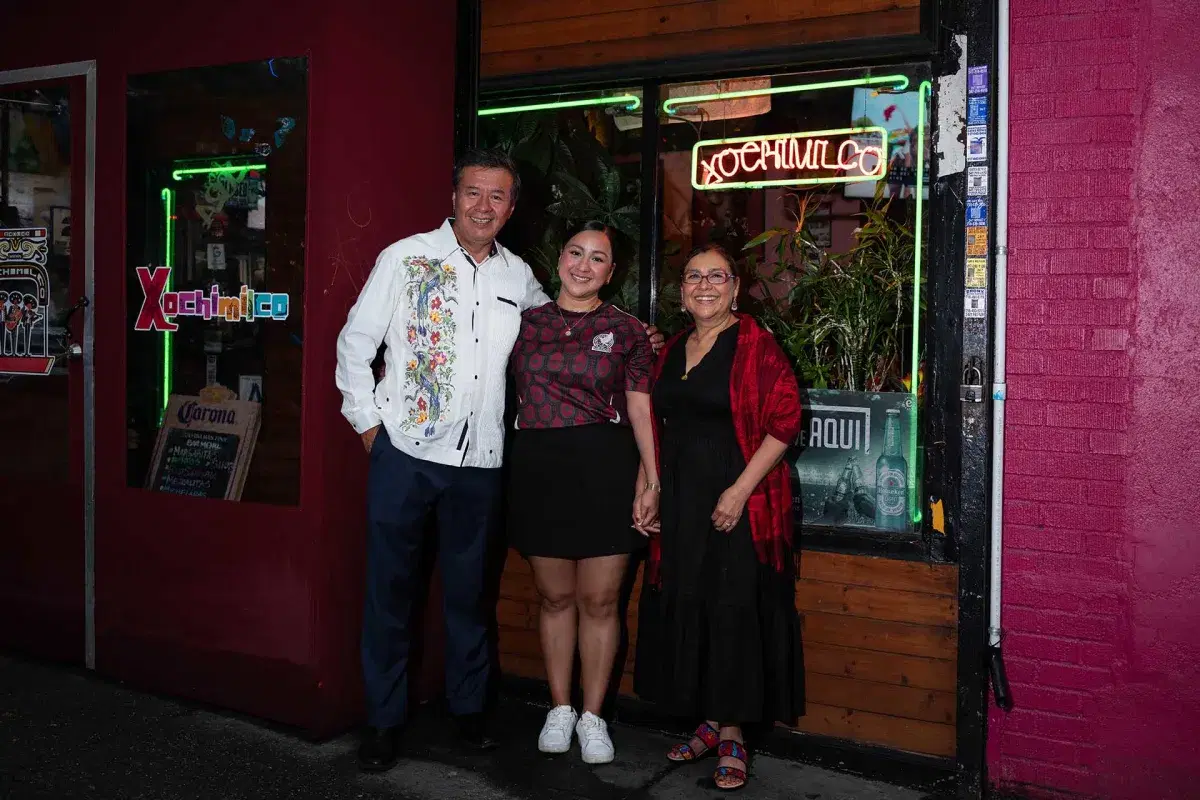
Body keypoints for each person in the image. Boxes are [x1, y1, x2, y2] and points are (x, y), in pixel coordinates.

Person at [335, 148, 662, 772]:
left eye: (497, 197)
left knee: (469, 597)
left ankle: (467, 715)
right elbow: (355, 345)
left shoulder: (520, 280)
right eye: (473, 193)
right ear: (453, 197)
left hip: (484, 461)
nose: (484, 206)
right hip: (405, 453)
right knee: (389, 595)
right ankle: (381, 722)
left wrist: (639, 337)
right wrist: (370, 426)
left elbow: (567, 324)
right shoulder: (406, 258)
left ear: (512, 208)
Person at [633, 244, 805, 792]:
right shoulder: (674, 347)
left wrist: (739, 491)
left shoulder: (756, 344)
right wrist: (649, 486)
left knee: (733, 608)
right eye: (692, 277)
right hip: (682, 499)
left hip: (739, 499)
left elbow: (785, 421)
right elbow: (660, 428)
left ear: (735, 288)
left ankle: (734, 734)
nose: (703, 285)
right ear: (681, 291)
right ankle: (709, 720)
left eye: (716, 277)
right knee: (693, 602)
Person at [506, 222, 658, 765]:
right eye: (575, 252)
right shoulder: (522, 324)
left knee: (599, 600)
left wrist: (651, 478)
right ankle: (560, 707)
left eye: (598, 259)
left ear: (610, 273)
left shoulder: (628, 331)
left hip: (606, 470)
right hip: (539, 469)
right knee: (555, 598)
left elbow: (641, 408)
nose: (583, 265)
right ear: (560, 257)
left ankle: (593, 717)